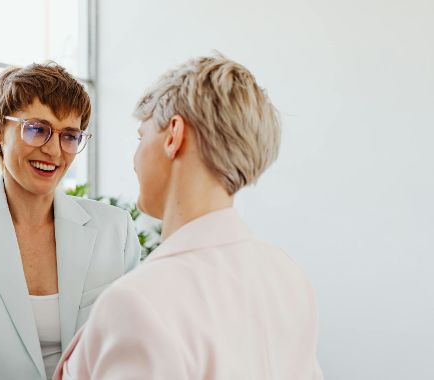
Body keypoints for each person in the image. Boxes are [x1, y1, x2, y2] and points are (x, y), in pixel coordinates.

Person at [53, 54, 323, 379]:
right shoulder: (286, 275)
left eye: (142, 137)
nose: (135, 159)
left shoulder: (140, 303)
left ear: (173, 135)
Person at [0, 62, 140, 380]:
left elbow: (132, 352)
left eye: (69, 136)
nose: (54, 151)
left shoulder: (115, 230)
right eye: (36, 129)